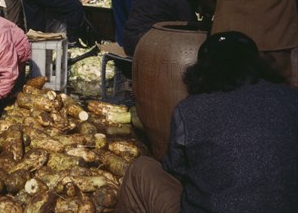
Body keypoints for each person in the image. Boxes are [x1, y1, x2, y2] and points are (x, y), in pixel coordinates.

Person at [114, 31, 298, 213]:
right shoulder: (292, 99)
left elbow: (174, 170)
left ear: (202, 71)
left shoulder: (190, 110)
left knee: (142, 169)